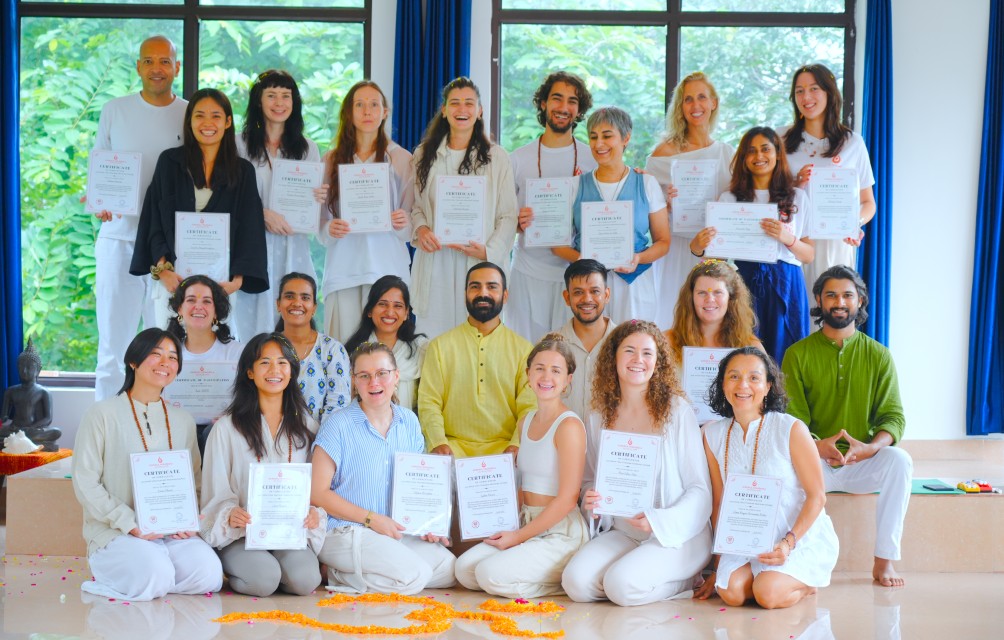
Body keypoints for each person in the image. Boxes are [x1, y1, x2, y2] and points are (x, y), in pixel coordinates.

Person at [562, 321, 712, 606]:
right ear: (613, 358)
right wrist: (590, 498)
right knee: (576, 583)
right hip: (625, 530)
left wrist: (659, 521)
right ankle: (639, 576)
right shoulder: (598, 414)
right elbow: (589, 478)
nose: (638, 360)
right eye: (629, 351)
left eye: (647, 353)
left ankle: (683, 581)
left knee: (620, 586)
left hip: (676, 534)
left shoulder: (676, 411)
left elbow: (700, 489)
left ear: (658, 362)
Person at [781, 266, 909, 587]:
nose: (840, 302)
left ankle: (884, 561)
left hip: (861, 464)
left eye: (847, 295)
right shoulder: (797, 355)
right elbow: (792, 417)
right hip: (814, 464)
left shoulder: (879, 356)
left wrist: (870, 448)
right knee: (779, 466)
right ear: (819, 301)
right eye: (832, 295)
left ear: (860, 301)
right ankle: (794, 558)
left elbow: (893, 417)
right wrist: (815, 445)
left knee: (900, 461)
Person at [72, 328, 222, 601]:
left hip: (171, 531)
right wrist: (130, 523)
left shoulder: (182, 420)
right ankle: (119, 579)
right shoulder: (101, 414)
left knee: (209, 574)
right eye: (156, 354)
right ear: (133, 361)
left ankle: (154, 575)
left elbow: (195, 481)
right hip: (116, 530)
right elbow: (86, 482)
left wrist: (189, 518)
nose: (166, 363)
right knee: (154, 574)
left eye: (173, 357)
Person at [696, 347, 838, 609]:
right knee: (730, 593)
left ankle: (806, 583)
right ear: (723, 384)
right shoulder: (711, 434)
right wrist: (718, 563)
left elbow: (818, 497)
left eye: (754, 378)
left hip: (793, 537)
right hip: (743, 539)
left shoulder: (790, 428)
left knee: (767, 594)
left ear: (768, 386)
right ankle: (761, 577)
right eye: (734, 376)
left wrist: (787, 543)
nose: (743, 385)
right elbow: (718, 503)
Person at [311, 342, 456, 593]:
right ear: (354, 381)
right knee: (416, 575)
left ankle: (356, 573)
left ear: (396, 376)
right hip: (347, 530)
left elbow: (419, 485)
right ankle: (337, 575)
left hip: (394, 530)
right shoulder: (337, 425)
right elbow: (317, 493)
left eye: (381, 373)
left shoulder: (409, 421)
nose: (373, 383)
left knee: (449, 570)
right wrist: (371, 519)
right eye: (364, 376)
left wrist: (426, 524)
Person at [455, 334, 589, 598]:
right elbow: (522, 484)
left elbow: (568, 498)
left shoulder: (569, 426)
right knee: (464, 570)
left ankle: (566, 580)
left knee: (488, 574)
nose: (546, 377)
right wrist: (505, 525)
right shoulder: (525, 422)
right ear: (528, 374)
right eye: (539, 368)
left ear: (567, 380)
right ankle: (526, 573)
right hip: (525, 523)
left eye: (555, 370)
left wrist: (517, 538)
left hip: (559, 532)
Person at [92, 35, 188, 401]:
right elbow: (100, 171)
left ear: (177, 67)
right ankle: (103, 442)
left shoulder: (190, 113)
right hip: (120, 240)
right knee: (113, 347)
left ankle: (161, 440)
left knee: (166, 350)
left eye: (165, 61)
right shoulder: (114, 110)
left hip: (168, 249)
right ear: (138, 66)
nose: (157, 68)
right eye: (149, 61)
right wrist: (98, 200)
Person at [129, 87, 268, 328]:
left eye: (216, 116)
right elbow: (154, 219)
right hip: (173, 280)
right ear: (189, 121)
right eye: (199, 115)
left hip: (219, 284)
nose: (207, 123)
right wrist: (163, 271)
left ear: (227, 122)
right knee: (169, 353)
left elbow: (250, 228)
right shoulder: (169, 163)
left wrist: (236, 281)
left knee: (214, 354)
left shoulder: (243, 171)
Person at [200, 333, 324, 597]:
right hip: (241, 535)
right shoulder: (226, 428)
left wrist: (314, 512)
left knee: (305, 580)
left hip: (287, 532)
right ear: (249, 372)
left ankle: (280, 569)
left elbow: (317, 488)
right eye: (264, 363)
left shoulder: (308, 427)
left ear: (291, 371)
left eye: (282, 362)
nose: (274, 370)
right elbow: (215, 490)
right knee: (263, 581)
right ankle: (250, 567)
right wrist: (231, 513)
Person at [693, 127, 815, 365]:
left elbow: (809, 255)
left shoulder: (797, 197)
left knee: (786, 357)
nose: (759, 156)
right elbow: (714, 262)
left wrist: (787, 238)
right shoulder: (729, 199)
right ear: (744, 158)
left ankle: (783, 404)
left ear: (778, 153)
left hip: (787, 283)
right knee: (744, 353)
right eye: (751, 151)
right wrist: (698, 248)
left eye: (765, 149)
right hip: (743, 284)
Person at [410, 77, 518, 339]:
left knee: (477, 341)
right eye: (455, 103)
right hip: (437, 262)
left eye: (469, 103)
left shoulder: (496, 157)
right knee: (433, 341)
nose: (462, 109)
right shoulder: (424, 154)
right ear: (444, 110)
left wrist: (488, 250)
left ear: (479, 110)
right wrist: (422, 229)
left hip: (478, 261)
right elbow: (416, 207)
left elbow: (508, 215)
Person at [553, 107, 670, 325]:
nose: (599, 144)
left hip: (634, 284)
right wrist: (583, 258)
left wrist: (638, 259)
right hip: (587, 286)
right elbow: (557, 244)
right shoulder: (575, 185)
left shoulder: (646, 183)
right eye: (593, 137)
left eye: (607, 136)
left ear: (626, 138)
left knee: (631, 347)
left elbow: (663, 242)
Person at [232, 70, 325, 341]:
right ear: (258, 101)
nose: (279, 102)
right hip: (251, 247)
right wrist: (261, 214)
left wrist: (317, 199)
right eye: (271, 95)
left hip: (292, 246)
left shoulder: (308, 149)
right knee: (250, 325)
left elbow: (314, 214)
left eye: (286, 96)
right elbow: (228, 198)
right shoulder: (238, 144)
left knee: (293, 318)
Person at [321, 80, 414, 342]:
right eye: (359, 105)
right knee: (343, 350)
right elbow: (320, 224)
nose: (367, 111)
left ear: (385, 112)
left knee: (382, 356)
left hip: (386, 267)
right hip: (344, 268)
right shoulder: (330, 160)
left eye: (374, 104)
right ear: (349, 112)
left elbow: (411, 226)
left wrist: (402, 221)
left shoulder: (402, 159)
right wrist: (330, 228)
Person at [509, 71, 596, 343]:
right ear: (543, 103)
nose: (563, 107)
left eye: (572, 101)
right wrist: (516, 222)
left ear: (579, 110)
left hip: (574, 277)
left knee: (568, 357)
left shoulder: (592, 158)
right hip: (527, 273)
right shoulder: (518, 159)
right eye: (557, 98)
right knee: (525, 355)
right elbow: (500, 219)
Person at [418, 262, 536, 458]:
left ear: (505, 295)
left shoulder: (523, 350)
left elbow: (530, 406)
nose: (483, 293)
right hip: (452, 450)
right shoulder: (440, 346)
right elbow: (429, 402)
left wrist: (516, 444)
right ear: (465, 293)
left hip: (506, 452)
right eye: (475, 287)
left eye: (492, 287)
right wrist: (438, 442)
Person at [645, 72, 734, 328]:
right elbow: (649, 208)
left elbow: (740, 202)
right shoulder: (664, 153)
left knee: (709, 322)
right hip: (674, 250)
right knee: (672, 318)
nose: (695, 106)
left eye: (702, 98)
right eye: (688, 99)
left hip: (712, 251)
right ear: (680, 107)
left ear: (714, 103)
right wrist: (666, 202)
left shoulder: (727, 153)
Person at [781, 64, 876, 299]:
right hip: (791, 244)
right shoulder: (781, 139)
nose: (806, 97)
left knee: (833, 314)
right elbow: (765, 192)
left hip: (835, 244)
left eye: (814, 89)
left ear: (829, 93)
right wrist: (794, 183)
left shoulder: (852, 142)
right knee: (794, 316)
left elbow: (868, 202)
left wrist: (855, 222)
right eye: (799, 91)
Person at [165, 275, 244, 454]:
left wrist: (231, 417)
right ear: (180, 308)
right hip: (176, 432)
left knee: (215, 433)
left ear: (216, 311)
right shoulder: (166, 352)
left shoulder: (237, 352)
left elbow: (249, 398)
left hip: (224, 433)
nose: (198, 306)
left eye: (207, 301)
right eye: (191, 300)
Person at [343, 275, 428, 411]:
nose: (389, 312)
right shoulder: (352, 352)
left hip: (408, 429)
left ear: (406, 313)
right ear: (370, 311)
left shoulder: (422, 349)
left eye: (398, 306)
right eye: (382, 304)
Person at [274, 272, 350, 424]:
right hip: (271, 439)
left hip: (321, 441)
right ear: (278, 305)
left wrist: (320, 443)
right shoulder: (266, 348)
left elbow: (338, 404)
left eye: (305, 297)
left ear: (314, 307)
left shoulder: (332, 349)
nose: (297, 303)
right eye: (289, 296)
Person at [665, 259, 764, 365]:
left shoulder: (750, 345)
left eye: (718, 292)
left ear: (731, 298)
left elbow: (766, 381)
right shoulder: (667, 341)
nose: (710, 299)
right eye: (702, 293)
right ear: (690, 298)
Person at [555, 259, 615, 421]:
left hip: (612, 443)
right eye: (578, 292)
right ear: (567, 298)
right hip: (562, 442)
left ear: (607, 295)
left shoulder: (625, 344)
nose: (587, 299)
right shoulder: (551, 346)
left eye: (595, 291)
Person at [0, 339, 59, 451]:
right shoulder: (11, 391)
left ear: (38, 370)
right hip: (15, 429)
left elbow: (47, 418)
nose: (25, 371)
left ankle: (19, 440)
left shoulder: (43, 392)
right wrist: (3, 419)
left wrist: (30, 427)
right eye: (21, 367)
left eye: (29, 367)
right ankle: (19, 440)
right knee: (5, 432)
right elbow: (4, 416)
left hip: (32, 429)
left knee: (56, 431)